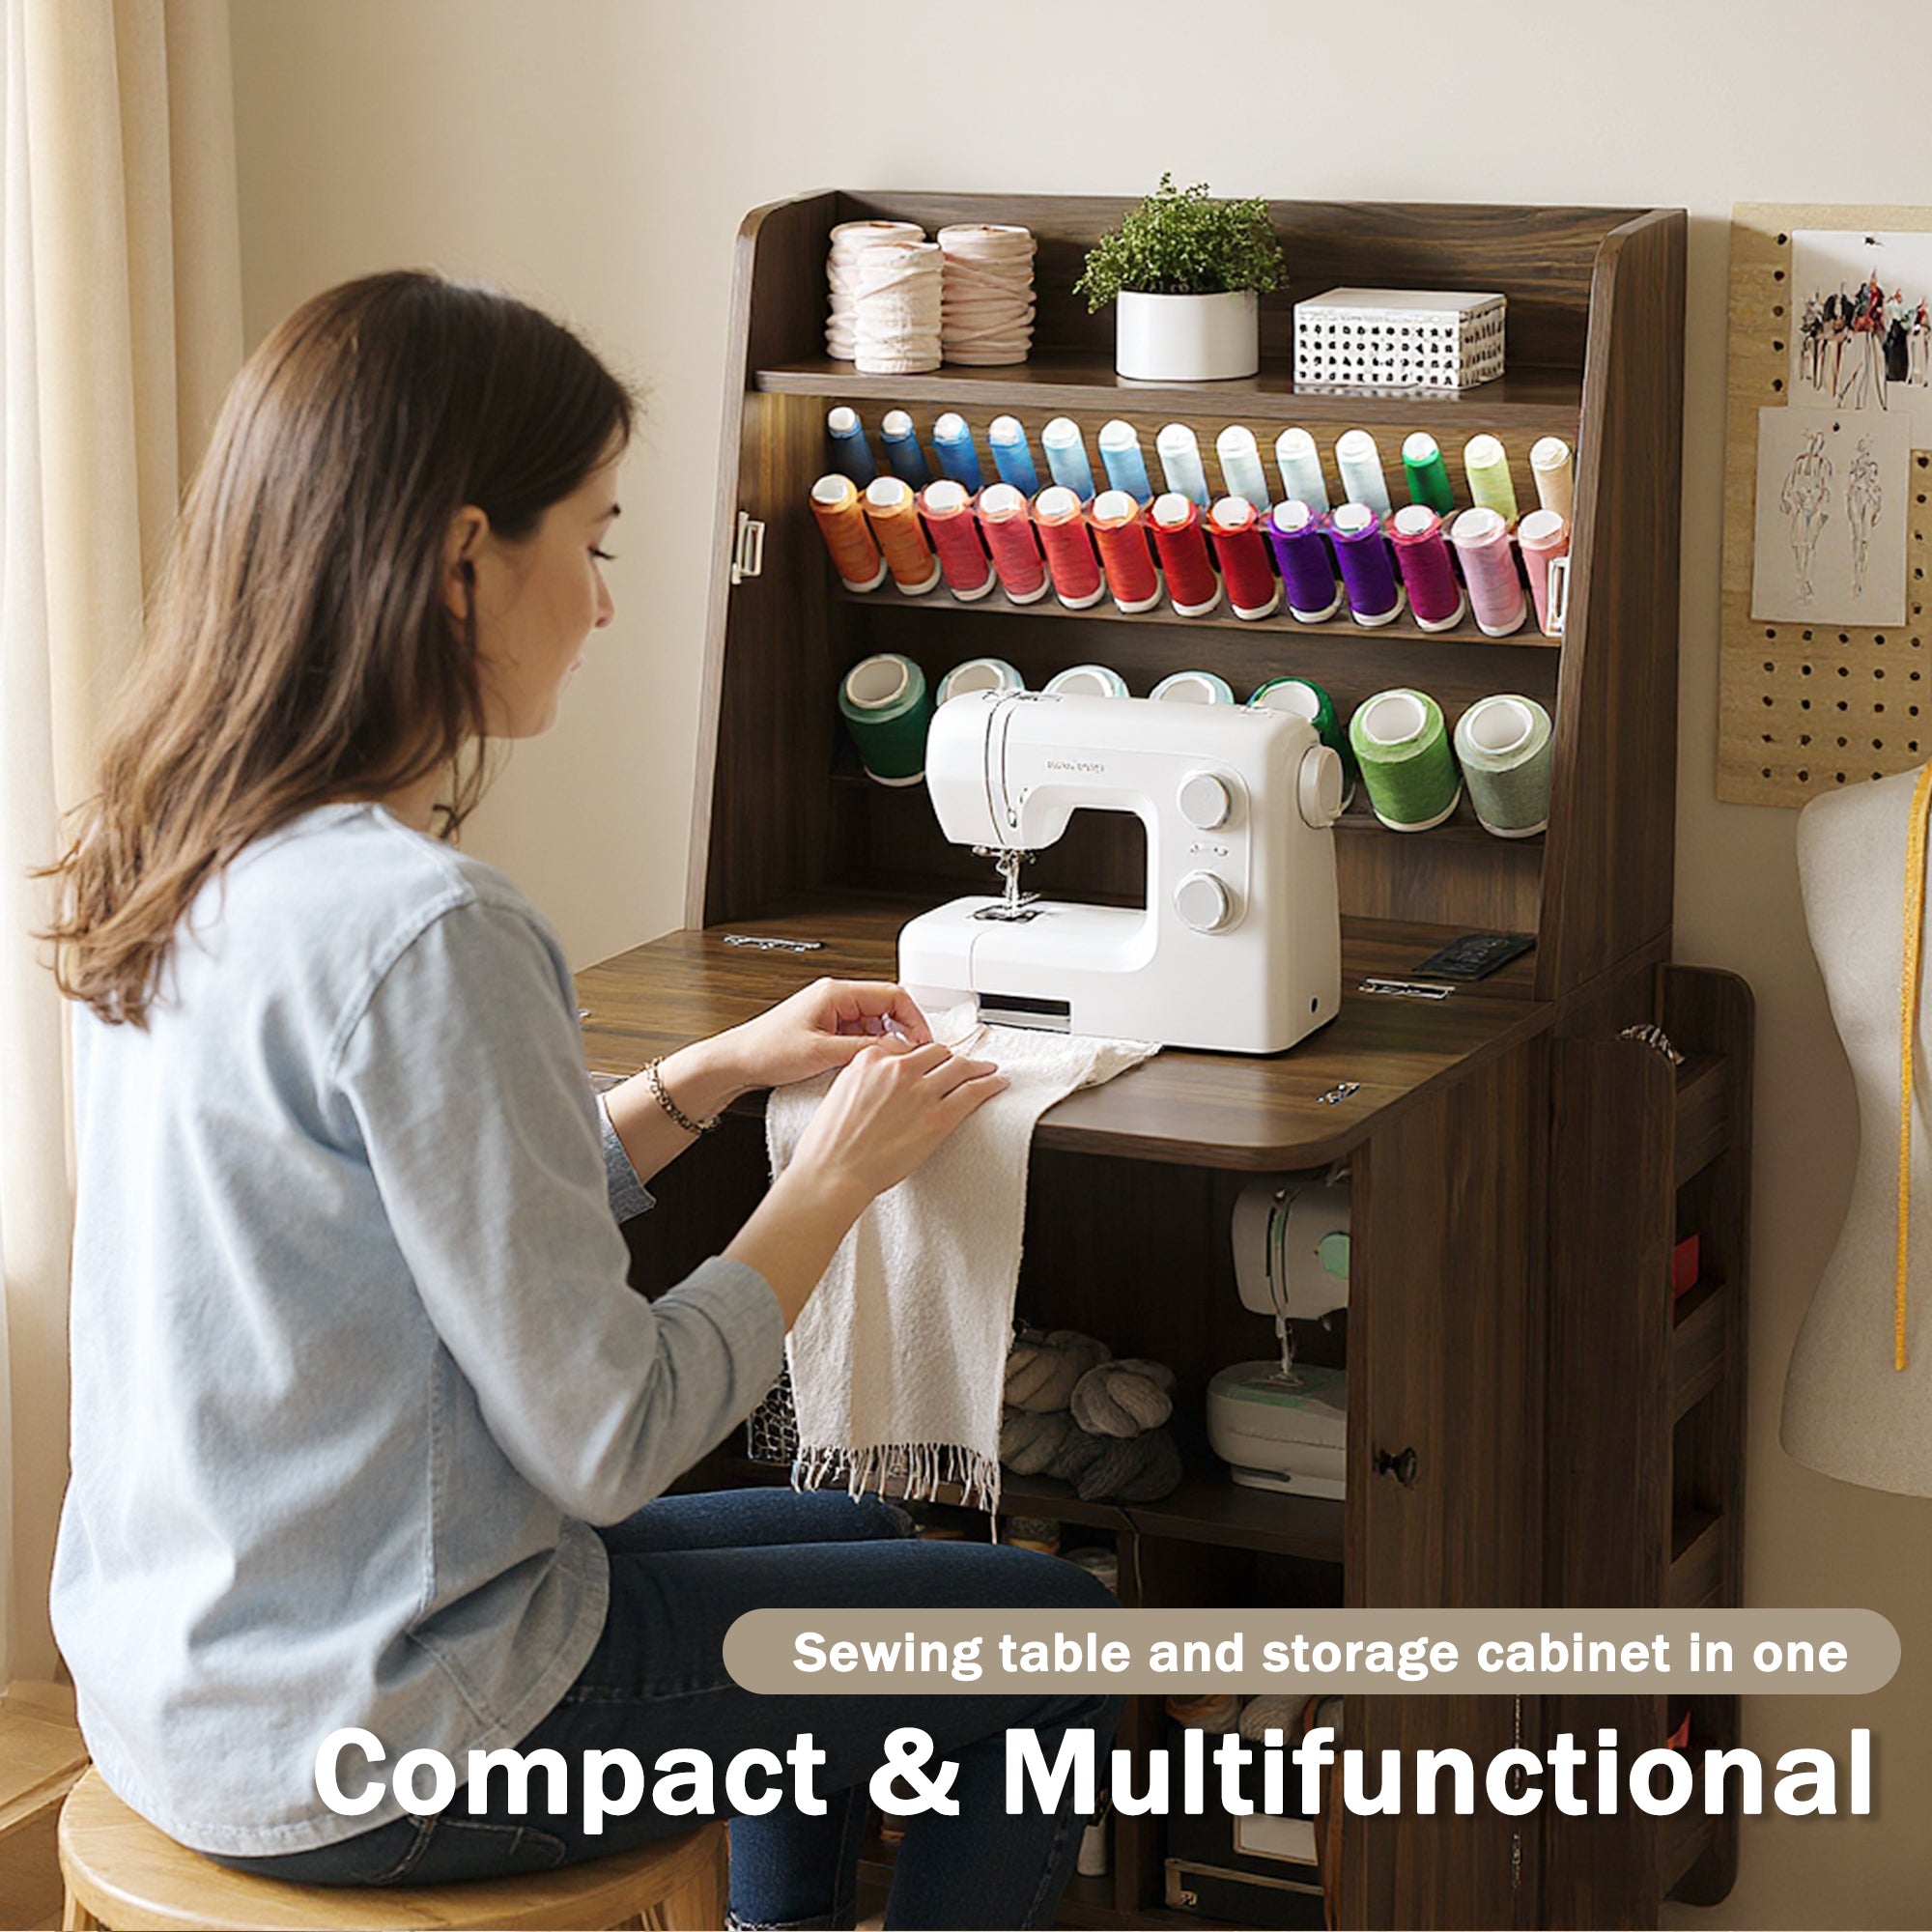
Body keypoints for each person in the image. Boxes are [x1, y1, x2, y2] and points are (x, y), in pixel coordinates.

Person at [42, 270, 1121, 1929]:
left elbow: (394, 1232)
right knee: (1047, 1648)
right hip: (400, 1733)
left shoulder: (182, 857)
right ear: (468, 558)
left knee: (835, 1510)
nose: (609, 605)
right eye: (597, 541)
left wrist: (706, 1078)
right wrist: (824, 1183)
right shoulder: (430, 927)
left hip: (195, 1679)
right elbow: (608, 1439)